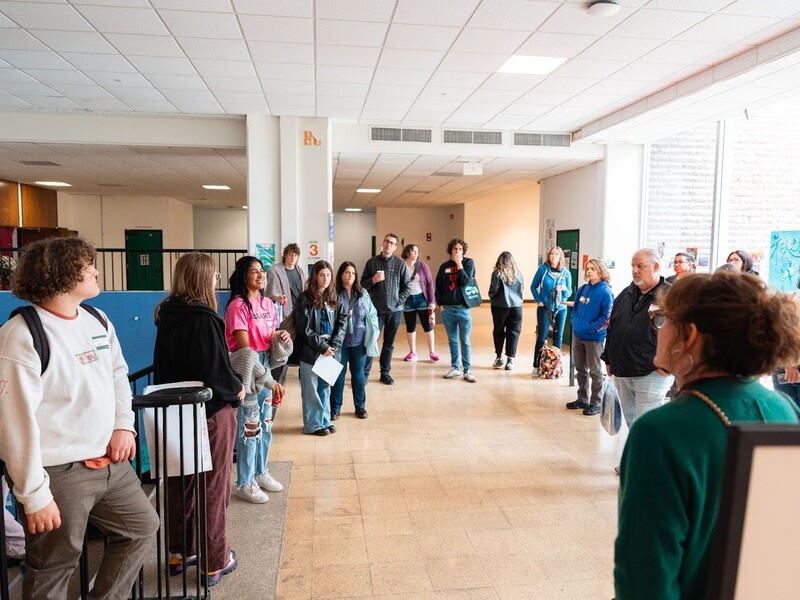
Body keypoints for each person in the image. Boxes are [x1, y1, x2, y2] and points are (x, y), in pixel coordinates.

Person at [614, 271, 800, 599]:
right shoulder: (784, 409)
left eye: (661, 320)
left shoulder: (660, 433)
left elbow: (645, 580)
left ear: (690, 336)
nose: (657, 330)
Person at [0, 237, 159, 598]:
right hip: (59, 473)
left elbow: (118, 374)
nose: (96, 271)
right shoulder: (21, 337)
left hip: (111, 464)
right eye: (87, 266)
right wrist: (34, 495)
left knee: (141, 528)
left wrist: (123, 425)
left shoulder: (96, 319)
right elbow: (14, 425)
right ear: (59, 274)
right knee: (54, 566)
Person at [153, 252, 244, 586]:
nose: (217, 281)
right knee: (214, 488)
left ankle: (180, 552)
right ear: (204, 279)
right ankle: (214, 560)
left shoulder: (166, 314)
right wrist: (238, 388)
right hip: (209, 414)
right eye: (215, 277)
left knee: (181, 485)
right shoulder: (204, 319)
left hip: (175, 412)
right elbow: (216, 373)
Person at [225, 256, 290, 504]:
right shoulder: (237, 306)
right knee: (249, 429)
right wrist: (270, 382)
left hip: (265, 364)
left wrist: (281, 337)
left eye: (262, 271)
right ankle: (244, 482)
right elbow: (245, 353)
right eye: (255, 272)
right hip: (247, 369)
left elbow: (270, 338)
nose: (261, 275)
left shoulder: (267, 304)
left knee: (266, 424)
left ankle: (261, 472)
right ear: (244, 277)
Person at [601, 249, 673, 430]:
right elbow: (613, 326)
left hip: (651, 373)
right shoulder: (627, 293)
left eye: (640, 266)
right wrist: (608, 358)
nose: (634, 270)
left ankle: (649, 458)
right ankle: (637, 457)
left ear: (655, 267)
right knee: (633, 423)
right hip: (623, 371)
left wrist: (668, 364)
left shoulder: (670, 297)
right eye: (633, 266)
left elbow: (682, 334)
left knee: (647, 427)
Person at [296, 261, 348, 435]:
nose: (325, 279)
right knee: (311, 390)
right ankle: (313, 425)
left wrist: (333, 346)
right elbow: (303, 328)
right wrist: (322, 346)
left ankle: (324, 420)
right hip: (311, 350)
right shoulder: (305, 298)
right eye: (321, 275)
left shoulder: (335, 298)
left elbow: (342, 323)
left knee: (324, 388)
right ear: (315, 276)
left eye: (328, 275)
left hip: (330, 351)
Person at [330, 261, 379, 420]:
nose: (350, 276)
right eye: (346, 273)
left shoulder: (362, 293)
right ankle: (335, 408)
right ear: (341, 275)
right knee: (338, 375)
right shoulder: (334, 293)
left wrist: (373, 334)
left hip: (359, 341)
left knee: (358, 375)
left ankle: (360, 407)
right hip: (340, 342)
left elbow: (372, 315)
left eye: (352, 273)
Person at [361, 233, 411, 385]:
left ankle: (385, 373)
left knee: (389, 344)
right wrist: (373, 280)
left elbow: (407, 287)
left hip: (394, 311)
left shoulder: (400, 264)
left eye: (392, 243)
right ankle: (364, 374)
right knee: (371, 341)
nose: (388, 244)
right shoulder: (372, 263)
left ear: (395, 247)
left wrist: (398, 301)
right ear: (382, 243)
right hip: (376, 311)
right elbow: (362, 284)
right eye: (387, 241)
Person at [566, 258, 614, 415]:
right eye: (587, 268)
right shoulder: (583, 289)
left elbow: (606, 318)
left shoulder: (606, 291)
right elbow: (575, 309)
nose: (588, 271)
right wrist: (575, 322)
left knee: (595, 371)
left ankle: (596, 402)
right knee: (580, 369)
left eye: (592, 268)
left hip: (594, 338)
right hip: (578, 335)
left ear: (600, 271)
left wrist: (591, 328)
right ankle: (582, 399)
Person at [435, 238, 478, 383]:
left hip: (463, 309)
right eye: (455, 249)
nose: (457, 251)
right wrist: (440, 305)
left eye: (460, 249)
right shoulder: (444, 267)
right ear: (450, 250)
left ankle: (467, 370)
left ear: (463, 251)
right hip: (447, 309)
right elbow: (438, 287)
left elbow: (466, 281)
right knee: (452, 340)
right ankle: (455, 367)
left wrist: (459, 264)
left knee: (465, 340)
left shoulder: (468, 263)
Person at [530, 246, 572, 377]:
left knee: (558, 338)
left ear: (561, 257)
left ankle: (555, 367)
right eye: (552, 254)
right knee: (542, 337)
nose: (553, 256)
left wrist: (564, 291)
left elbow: (570, 291)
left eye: (556, 254)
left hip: (560, 309)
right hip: (545, 308)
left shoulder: (566, 273)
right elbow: (533, 286)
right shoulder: (543, 270)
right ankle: (536, 366)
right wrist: (538, 300)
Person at [401, 243, 439, 362]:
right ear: (407, 252)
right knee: (410, 326)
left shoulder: (422, 266)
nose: (416, 254)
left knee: (427, 325)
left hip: (422, 298)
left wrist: (432, 301)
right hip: (407, 300)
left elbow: (429, 284)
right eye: (414, 251)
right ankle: (413, 352)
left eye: (417, 252)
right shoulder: (401, 266)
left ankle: (432, 352)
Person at [487, 251, 524, 371]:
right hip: (517, 307)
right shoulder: (518, 274)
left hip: (500, 307)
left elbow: (493, 289)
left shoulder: (497, 273)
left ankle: (498, 357)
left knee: (498, 331)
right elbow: (522, 289)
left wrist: (491, 296)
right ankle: (510, 361)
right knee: (513, 332)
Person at [265, 242, 306, 318]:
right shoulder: (274, 271)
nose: (293, 258)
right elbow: (270, 294)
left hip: (301, 311)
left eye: (295, 255)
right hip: (284, 313)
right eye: (290, 255)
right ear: (285, 256)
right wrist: (277, 298)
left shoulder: (300, 271)